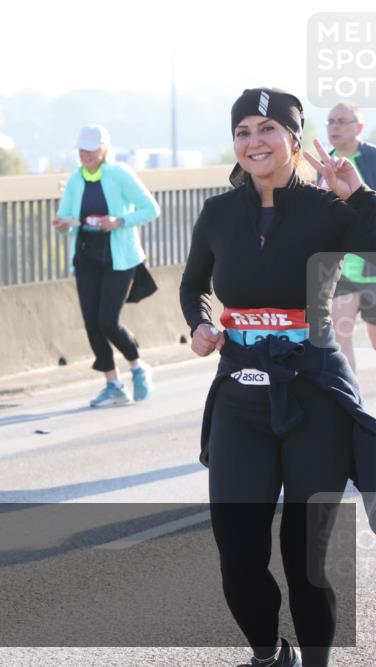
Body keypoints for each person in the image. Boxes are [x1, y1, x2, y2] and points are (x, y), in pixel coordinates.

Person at [180, 87, 376, 667]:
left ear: (294, 139)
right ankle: (268, 652)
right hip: (241, 393)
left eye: (268, 129)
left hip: (313, 390)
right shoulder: (218, 213)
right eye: (243, 131)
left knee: (305, 556)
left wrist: (359, 195)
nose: (254, 141)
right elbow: (194, 286)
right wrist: (200, 324)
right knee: (237, 553)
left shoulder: (327, 209)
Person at [53, 125, 160, 407]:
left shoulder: (119, 174)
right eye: (81, 148)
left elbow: (151, 209)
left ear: (103, 149)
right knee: (91, 322)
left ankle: (137, 366)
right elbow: (65, 217)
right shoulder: (76, 180)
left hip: (119, 258)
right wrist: (62, 224)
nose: (85, 154)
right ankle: (113, 384)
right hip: (86, 257)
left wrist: (119, 221)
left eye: (90, 148)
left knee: (107, 321)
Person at [321, 103, 376, 372]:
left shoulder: (373, 159)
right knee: (340, 337)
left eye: (342, 121)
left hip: (373, 267)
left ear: (359, 127)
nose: (335, 126)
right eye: (330, 121)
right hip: (341, 269)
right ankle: (351, 407)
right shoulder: (321, 166)